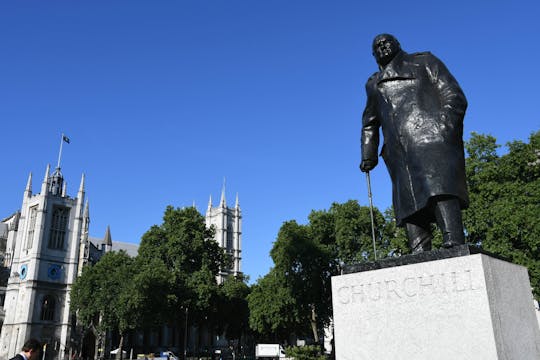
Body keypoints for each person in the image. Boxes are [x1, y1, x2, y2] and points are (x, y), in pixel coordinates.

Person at [360, 34, 469, 253]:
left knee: (440, 190)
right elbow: (370, 122)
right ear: (373, 55)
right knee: (410, 208)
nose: (382, 46)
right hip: (399, 153)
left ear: (398, 44)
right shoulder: (373, 84)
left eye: (386, 41)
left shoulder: (425, 62)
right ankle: (419, 253)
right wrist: (368, 155)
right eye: (376, 46)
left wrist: (442, 128)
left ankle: (454, 241)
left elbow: (454, 96)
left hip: (432, 141)